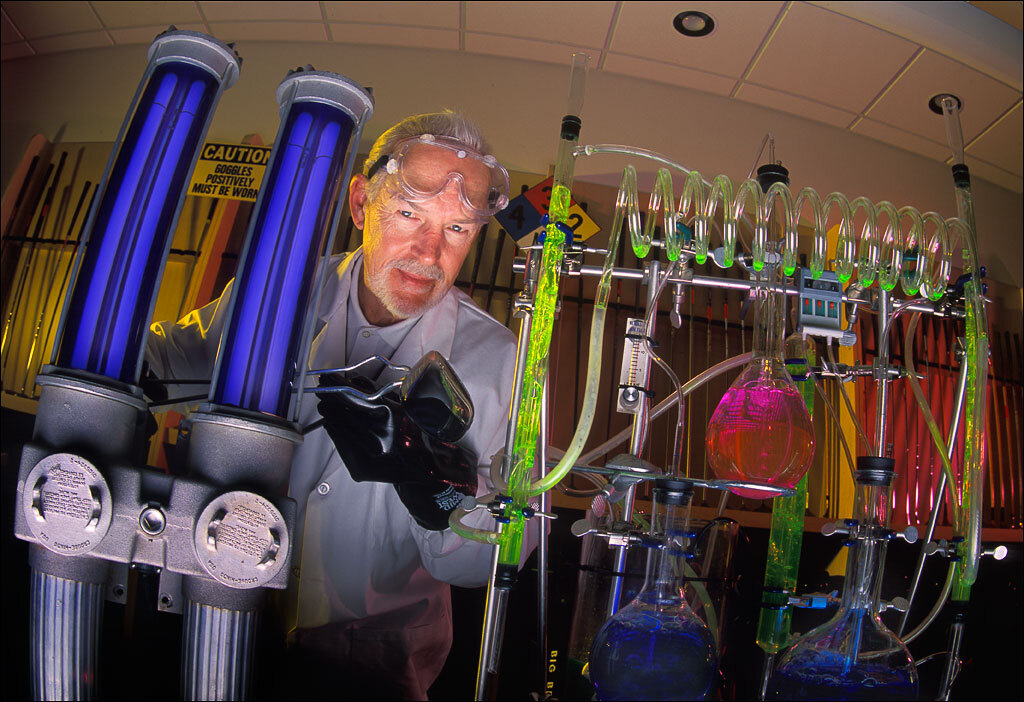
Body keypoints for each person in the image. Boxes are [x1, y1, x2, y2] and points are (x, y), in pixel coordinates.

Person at [145, 111, 534, 699]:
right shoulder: (276, 295)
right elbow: (178, 360)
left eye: (456, 228)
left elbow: (486, 563)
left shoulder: (498, 361)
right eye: (409, 214)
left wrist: (433, 484)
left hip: (375, 657)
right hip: (224, 604)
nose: (429, 253)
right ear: (360, 204)